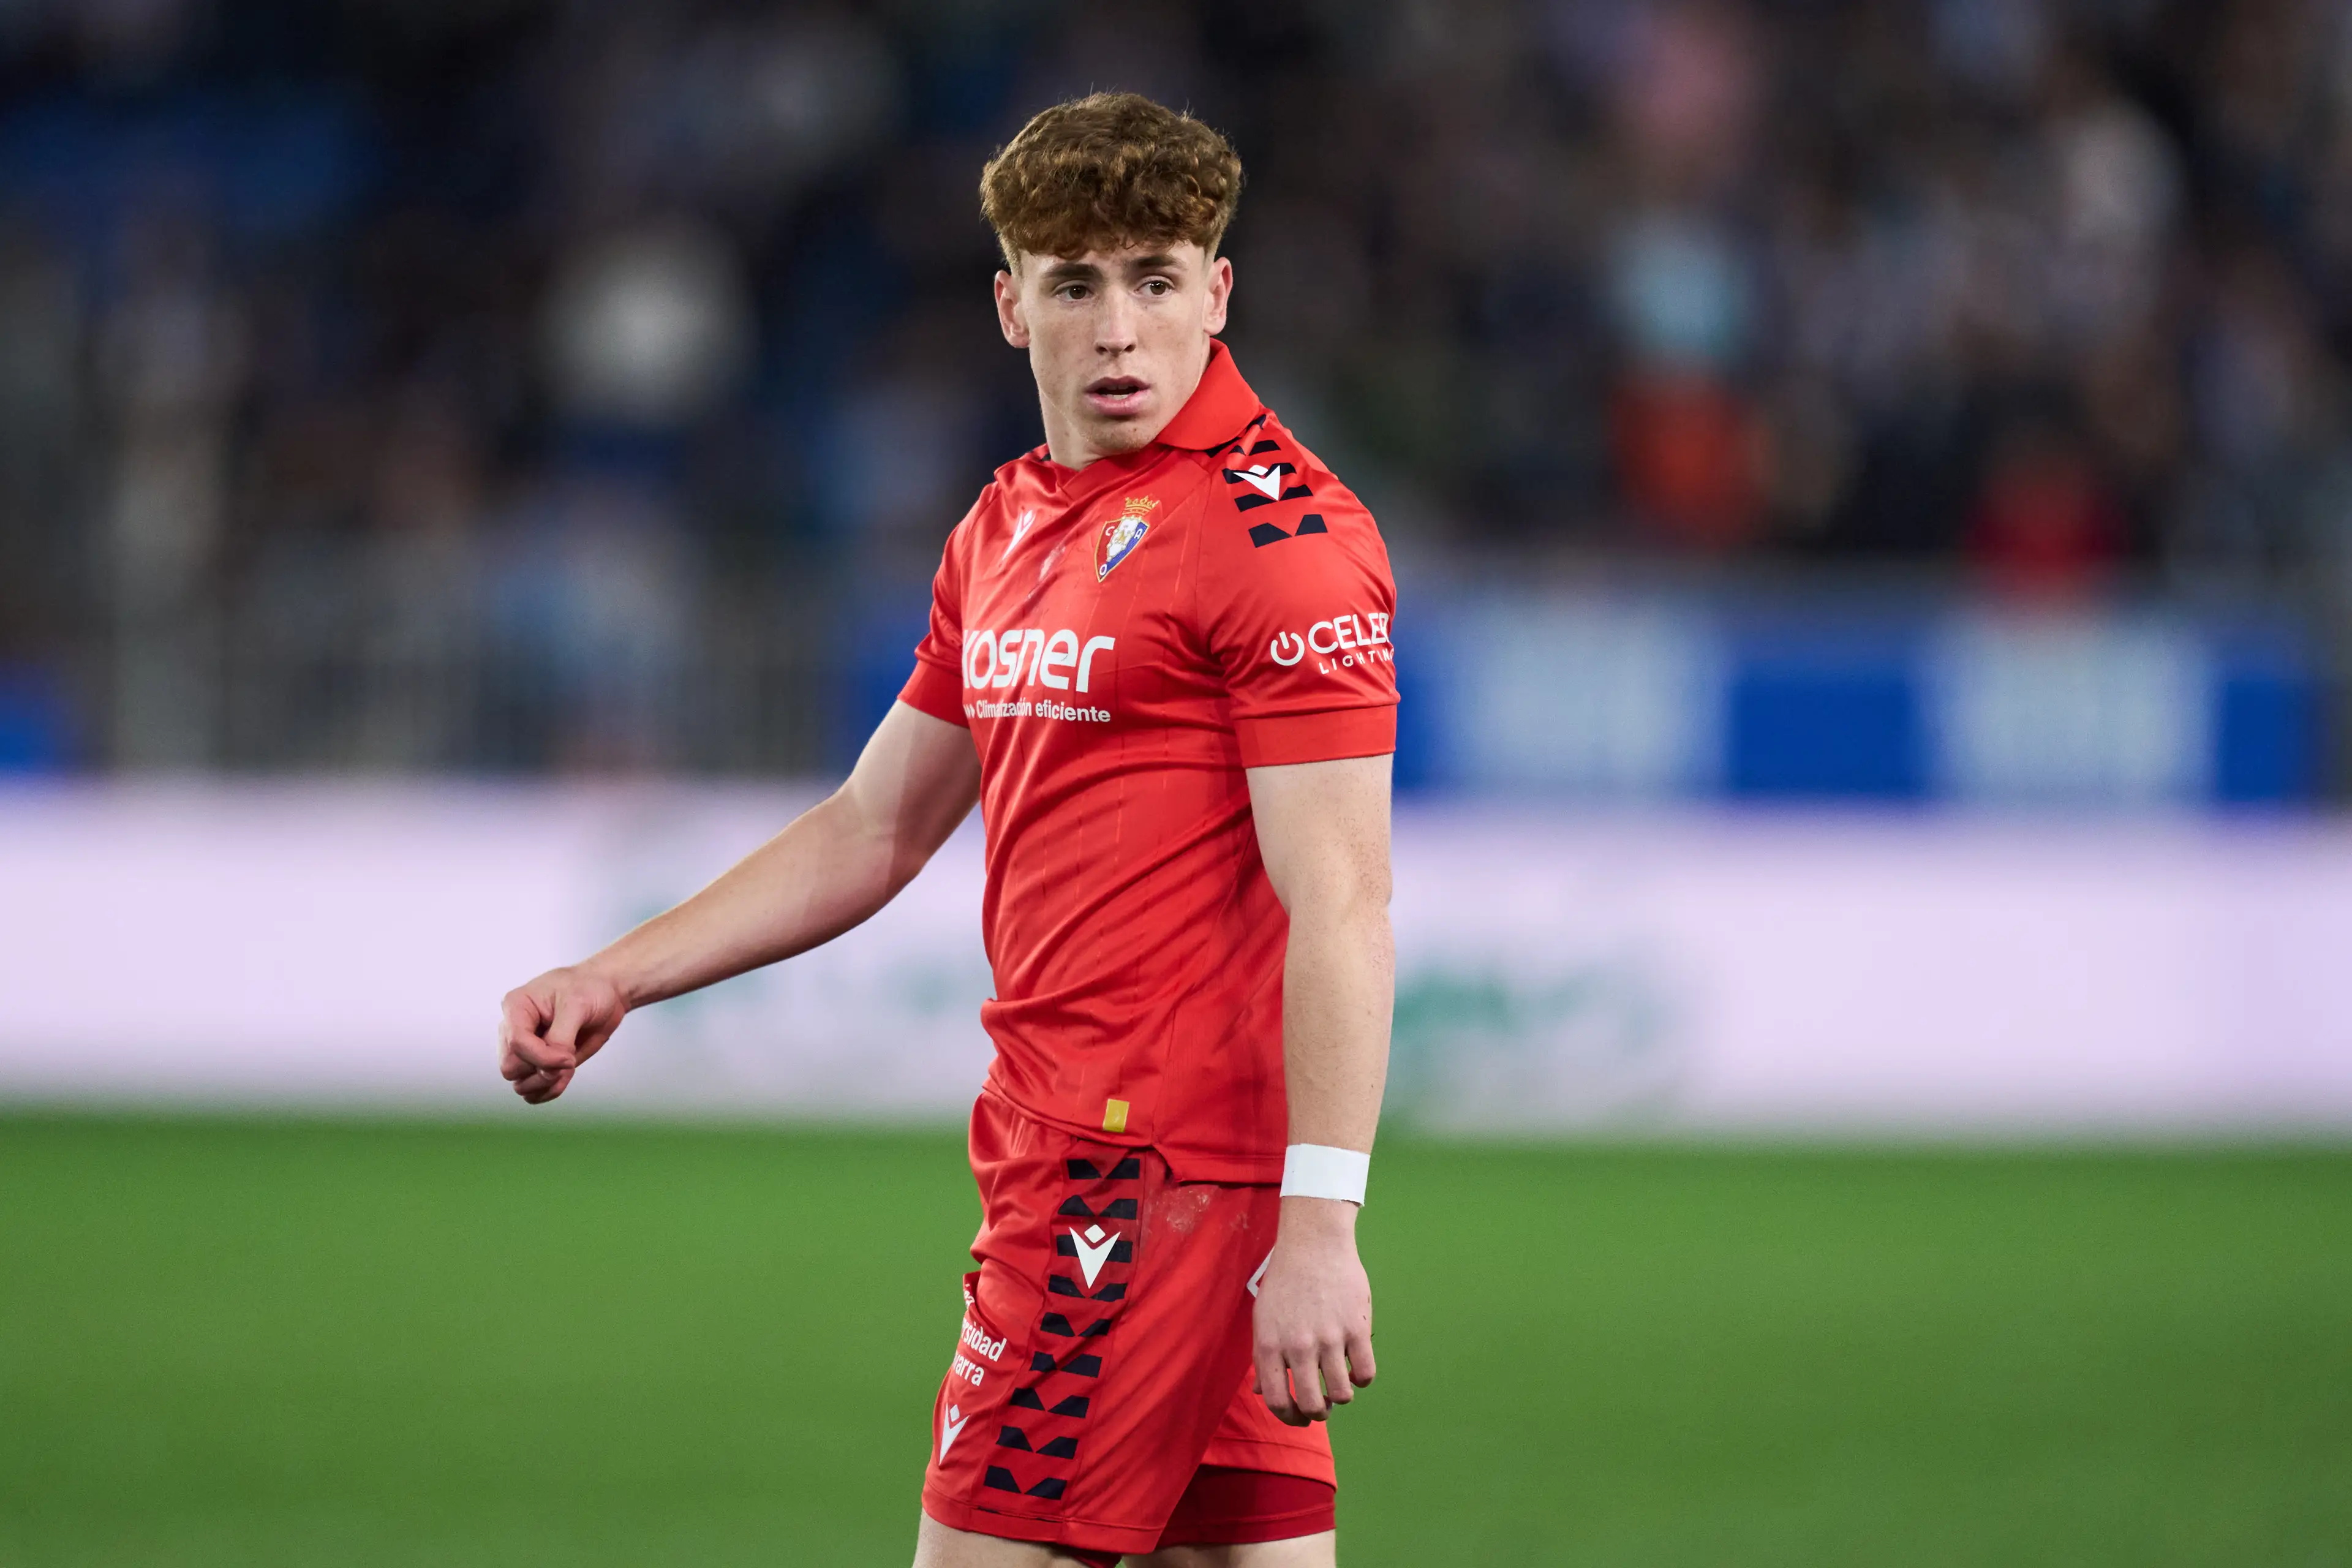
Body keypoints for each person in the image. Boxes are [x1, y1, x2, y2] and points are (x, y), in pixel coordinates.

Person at [497, 92, 1398, 1567]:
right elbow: (876, 823)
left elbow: (1345, 898)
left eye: (1157, 281)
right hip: (1099, 1162)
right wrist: (617, 975)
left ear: (1217, 293)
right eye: (1077, 285)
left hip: (1139, 1175)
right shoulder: (1006, 526)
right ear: (1010, 303)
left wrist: (1322, 1224)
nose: (1119, 330)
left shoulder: (1278, 541)